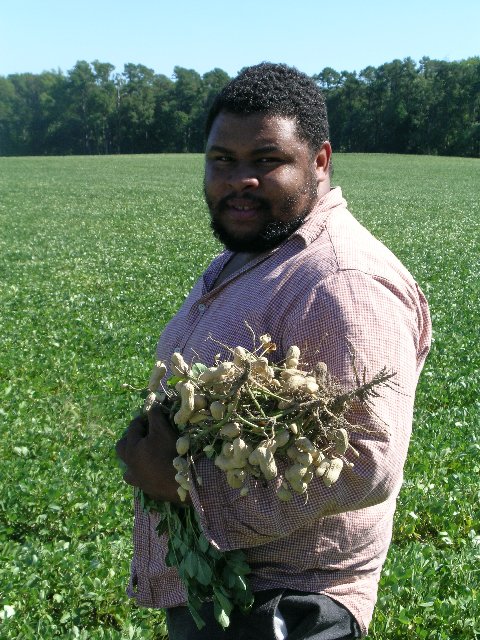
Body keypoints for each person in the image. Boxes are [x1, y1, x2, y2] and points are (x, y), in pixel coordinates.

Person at [116, 63, 431, 639]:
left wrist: (186, 488)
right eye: (222, 160)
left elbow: (368, 462)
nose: (241, 180)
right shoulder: (254, 250)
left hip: (286, 608)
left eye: (266, 160)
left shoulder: (342, 280)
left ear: (320, 160)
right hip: (229, 593)